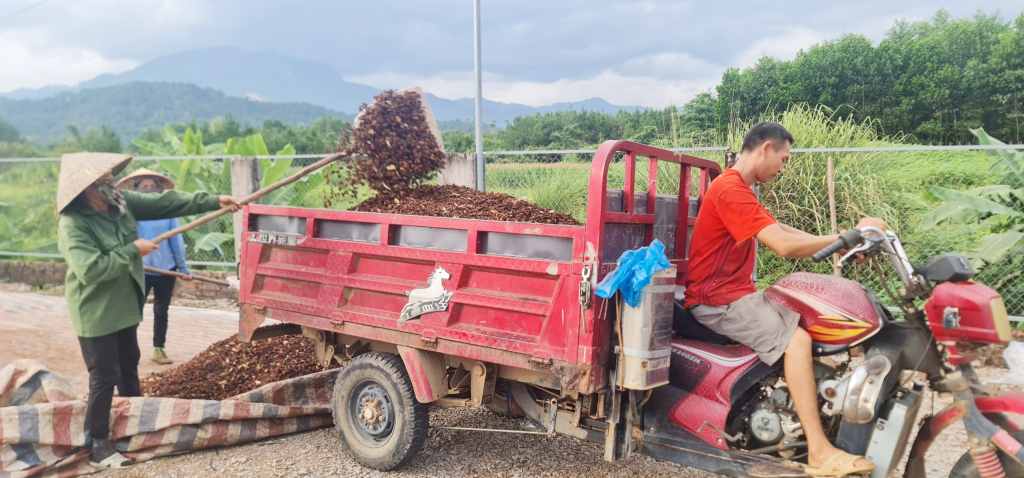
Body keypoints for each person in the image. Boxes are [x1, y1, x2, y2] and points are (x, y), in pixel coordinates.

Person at [682, 123, 884, 477]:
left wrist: (841, 244)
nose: (783, 166)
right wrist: (843, 236)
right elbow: (784, 245)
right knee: (797, 340)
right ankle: (820, 452)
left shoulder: (740, 189)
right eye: (784, 158)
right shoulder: (730, 188)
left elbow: (785, 231)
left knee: (813, 319)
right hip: (717, 301)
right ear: (765, 149)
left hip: (736, 294)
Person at [56, 153, 240, 469]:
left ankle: (137, 426)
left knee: (128, 364)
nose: (112, 183)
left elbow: (167, 203)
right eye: (104, 181)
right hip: (97, 310)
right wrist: (133, 250)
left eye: (110, 177)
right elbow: (90, 270)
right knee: (104, 375)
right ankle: (99, 445)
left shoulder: (121, 204)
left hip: (126, 303)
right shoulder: (74, 224)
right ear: (86, 189)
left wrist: (213, 200)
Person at [116, 169, 191, 365]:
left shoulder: (167, 212)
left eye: (152, 186)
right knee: (134, 310)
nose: (149, 190)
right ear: (136, 189)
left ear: (158, 190)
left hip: (166, 269)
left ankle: (159, 349)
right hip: (140, 270)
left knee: (161, 310)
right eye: (144, 186)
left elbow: (176, 240)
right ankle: (125, 351)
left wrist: (183, 269)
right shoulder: (129, 213)